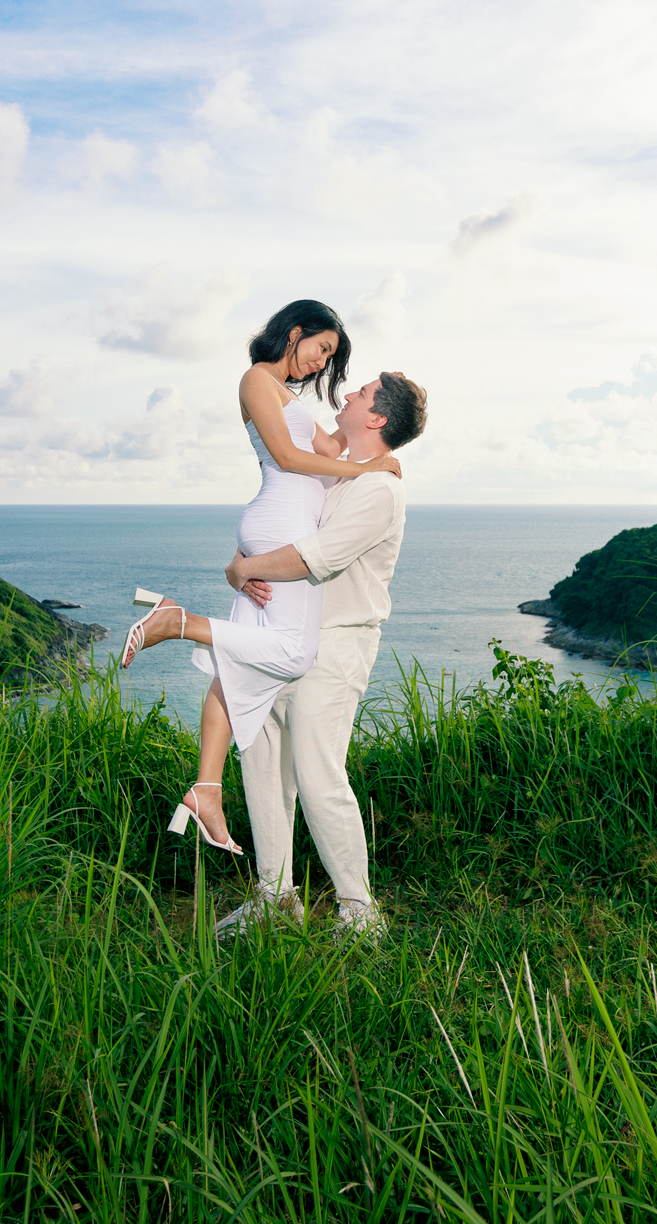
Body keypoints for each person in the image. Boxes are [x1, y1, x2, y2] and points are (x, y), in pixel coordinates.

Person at [120, 300, 402, 856]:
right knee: (294, 654)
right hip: (280, 522)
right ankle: (178, 620)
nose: (323, 364)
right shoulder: (256, 379)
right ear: (294, 332)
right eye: (321, 348)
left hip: (274, 525)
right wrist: (366, 468)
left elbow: (327, 445)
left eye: (331, 360)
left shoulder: (289, 395)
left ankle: (206, 789)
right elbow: (289, 458)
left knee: (238, 663)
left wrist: (366, 420)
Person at [214, 370, 425, 938]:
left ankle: (360, 913)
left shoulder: (380, 489)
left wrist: (242, 570)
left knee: (317, 773)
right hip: (280, 633)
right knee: (260, 763)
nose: (348, 394)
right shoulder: (332, 474)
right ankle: (274, 898)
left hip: (336, 644)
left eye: (361, 394)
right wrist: (243, 565)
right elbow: (278, 523)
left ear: (376, 418)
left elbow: (315, 557)